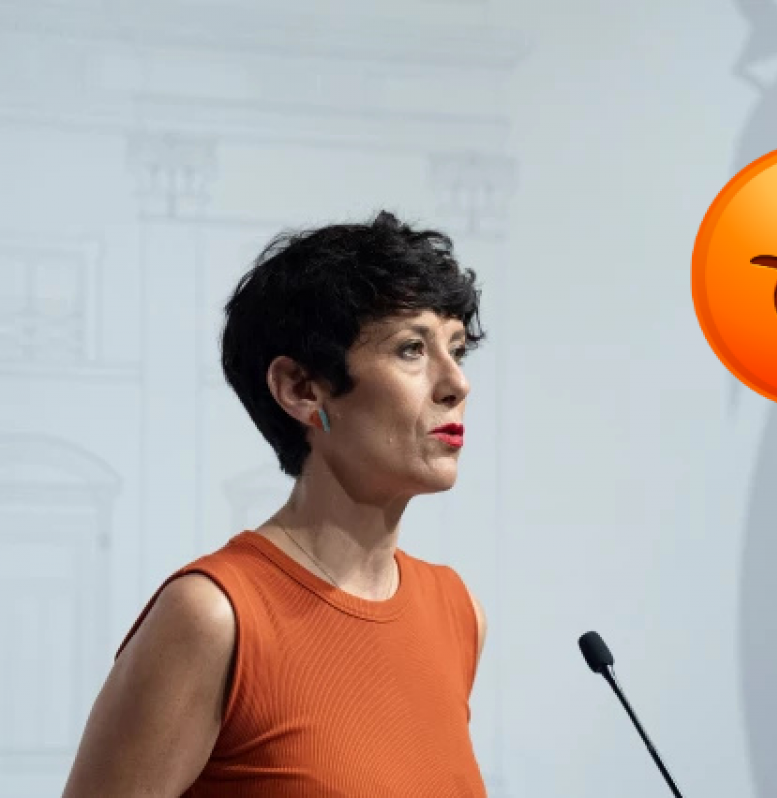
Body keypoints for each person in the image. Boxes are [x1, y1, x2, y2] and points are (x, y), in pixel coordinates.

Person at [62, 211, 490, 796]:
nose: (457, 383)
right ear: (300, 389)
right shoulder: (213, 616)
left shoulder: (457, 612)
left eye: (457, 350)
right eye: (412, 348)